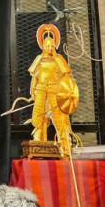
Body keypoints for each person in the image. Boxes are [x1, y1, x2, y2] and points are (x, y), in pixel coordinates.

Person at [27, 24, 78, 158]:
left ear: (55, 45)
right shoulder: (39, 59)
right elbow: (35, 77)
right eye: (47, 46)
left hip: (55, 92)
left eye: (51, 46)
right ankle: (39, 146)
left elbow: (66, 76)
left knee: (60, 120)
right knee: (39, 119)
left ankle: (65, 148)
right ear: (42, 46)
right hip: (41, 91)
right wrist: (32, 91)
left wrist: (67, 92)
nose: (49, 48)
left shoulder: (59, 59)